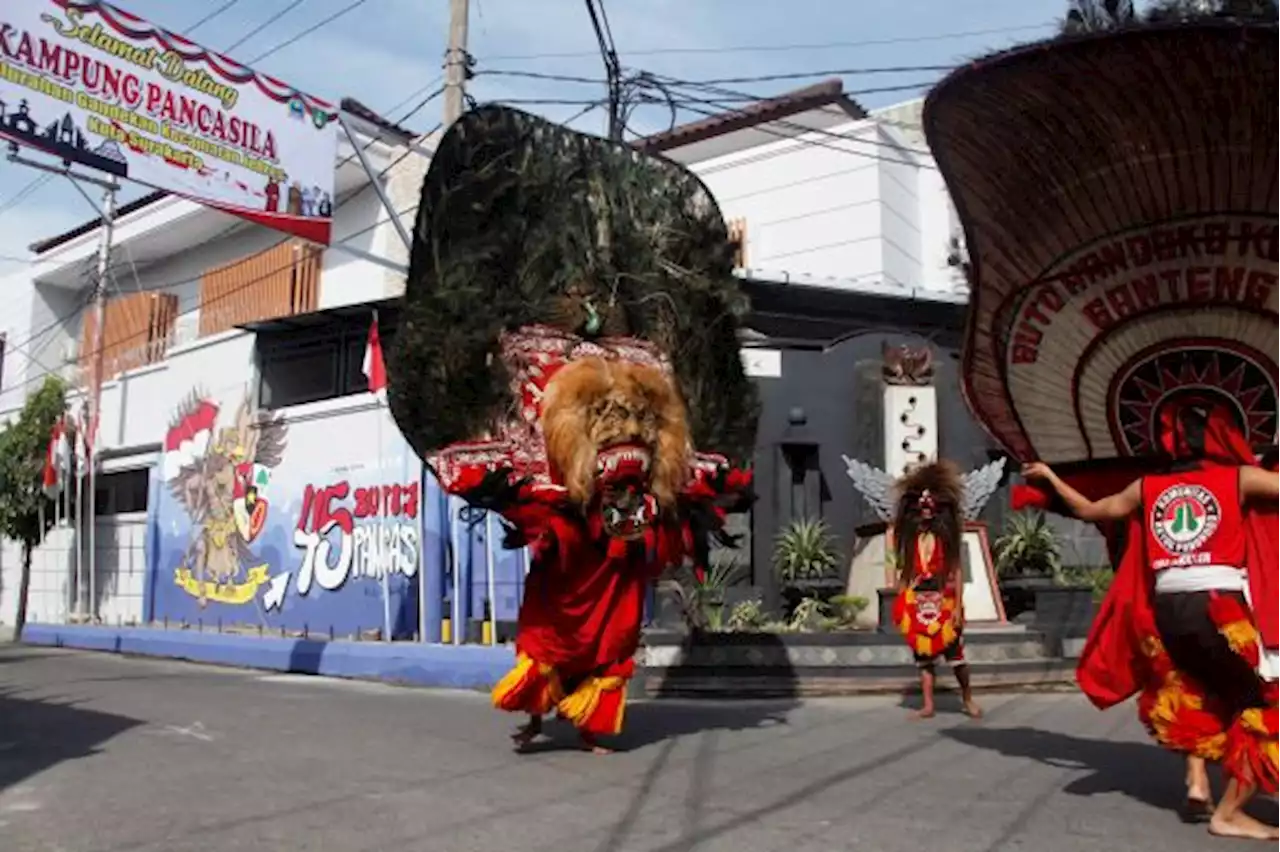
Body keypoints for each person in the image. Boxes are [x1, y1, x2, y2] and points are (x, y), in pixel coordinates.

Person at [1023, 402, 1280, 840]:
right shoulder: (1237, 478)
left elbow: (1090, 511)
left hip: (1168, 615)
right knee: (1265, 706)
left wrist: (1049, 477)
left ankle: (1200, 782)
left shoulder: (1147, 487)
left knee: (1199, 692)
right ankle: (1230, 812)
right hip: (1217, 609)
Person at [891, 461, 982, 720]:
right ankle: (928, 705)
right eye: (923, 508)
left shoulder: (947, 538)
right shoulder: (910, 540)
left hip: (944, 599)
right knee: (923, 658)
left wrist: (957, 607)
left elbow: (957, 571)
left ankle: (967, 699)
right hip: (919, 601)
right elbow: (906, 573)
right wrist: (901, 602)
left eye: (931, 507)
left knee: (956, 657)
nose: (927, 512)